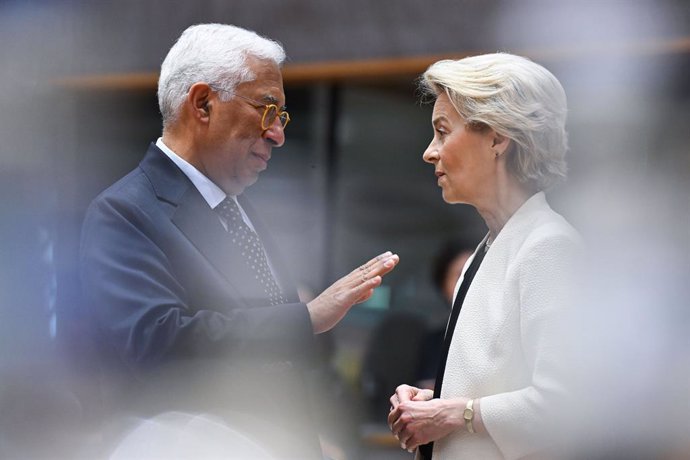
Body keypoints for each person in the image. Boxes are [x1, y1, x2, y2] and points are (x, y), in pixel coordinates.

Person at [79, 23, 399, 459]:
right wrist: (305, 318)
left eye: (281, 116)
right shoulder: (123, 211)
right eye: (267, 109)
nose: (278, 134)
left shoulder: (241, 207)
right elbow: (157, 342)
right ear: (203, 104)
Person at [387, 53, 582, 459]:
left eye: (442, 132)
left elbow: (568, 406)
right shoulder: (491, 248)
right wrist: (434, 402)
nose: (429, 152)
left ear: (497, 138)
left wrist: (456, 413)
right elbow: (494, 393)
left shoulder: (549, 245)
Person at [415, 237, 477, 390]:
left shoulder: (507, 336)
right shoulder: (434, 342)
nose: (470, 282)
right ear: (443, 285)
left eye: (476, 273)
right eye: (459, 275)